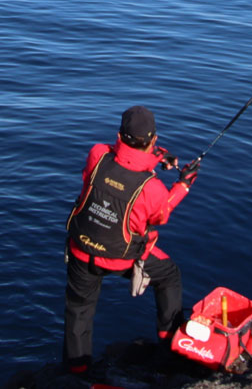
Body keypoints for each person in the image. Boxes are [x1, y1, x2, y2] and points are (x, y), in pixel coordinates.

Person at [63, 105, 200, 375]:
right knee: (170, 275)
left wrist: (155, 155)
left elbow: (117, 155)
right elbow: (161, 215)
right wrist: (183, 184)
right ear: (153, 140)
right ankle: (169, 341)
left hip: (81, 249)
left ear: (119, 135)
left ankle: (75, 372)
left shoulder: (97, 155)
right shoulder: (153, 188)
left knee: (79, 310)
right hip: (120, 258)